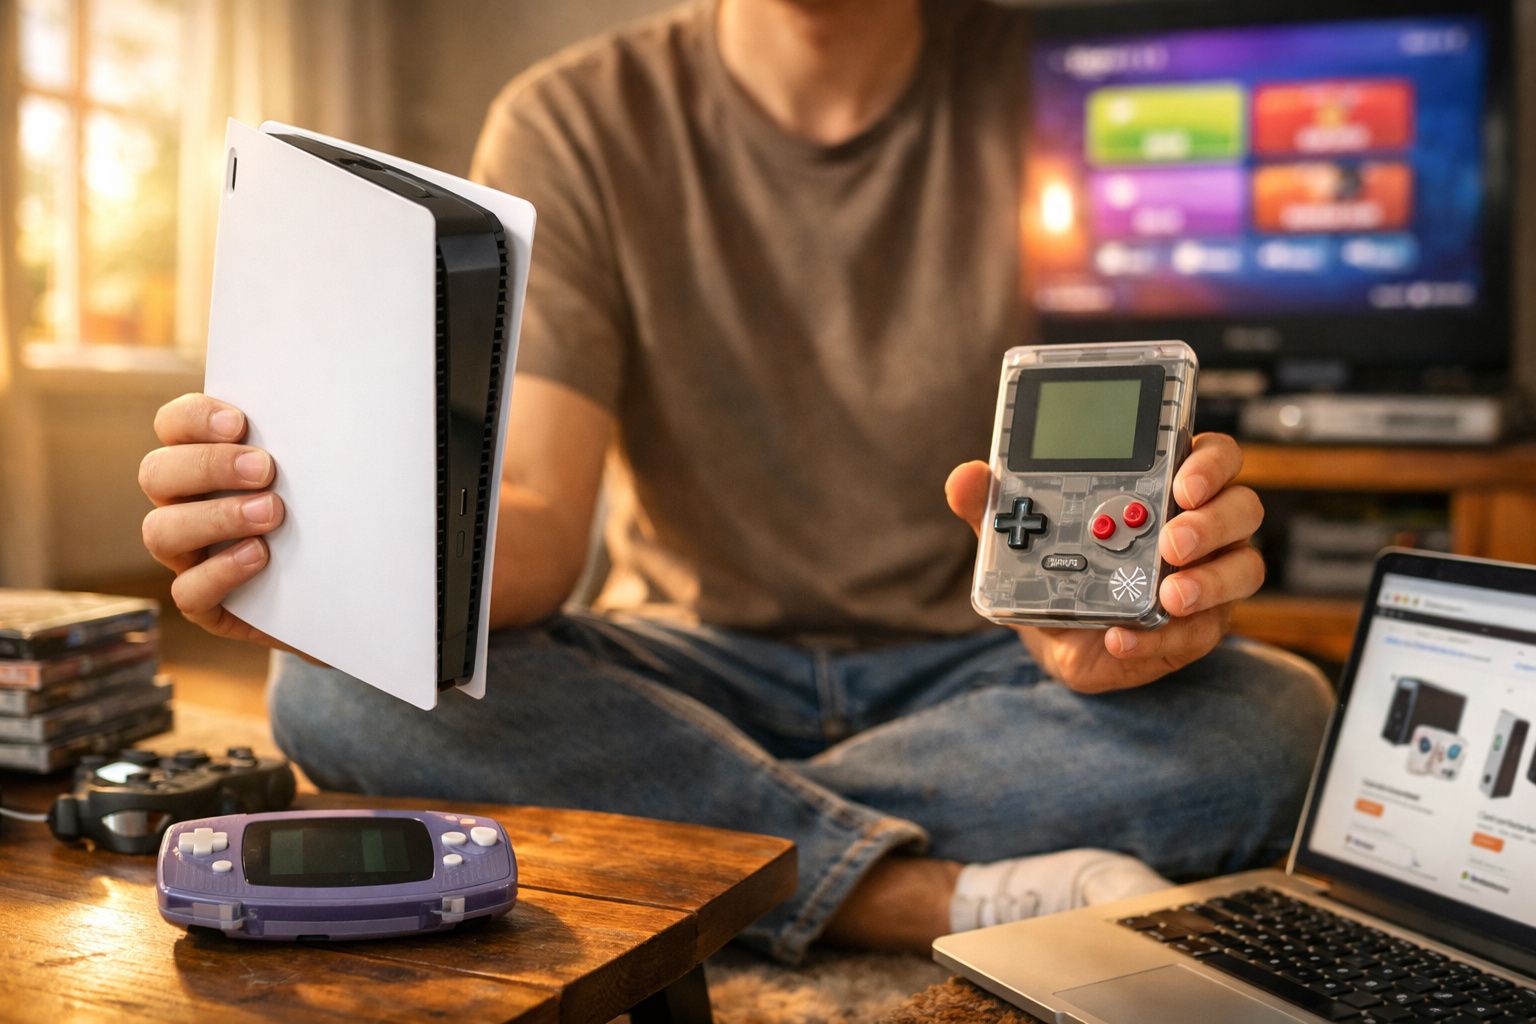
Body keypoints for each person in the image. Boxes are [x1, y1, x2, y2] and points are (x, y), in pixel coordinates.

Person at [139, 0, 1332, 964]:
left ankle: (694, 850)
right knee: (335, 692)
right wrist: (324, 544)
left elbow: (1115, 476)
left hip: (987, 666)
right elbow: (545, 530)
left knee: (1275, 720)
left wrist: (1115, 611)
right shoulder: (577, 118)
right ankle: (908, 895)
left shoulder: (1082, 88)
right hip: (691, 665)